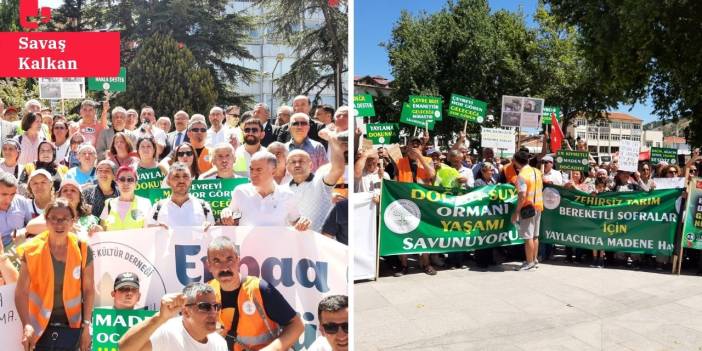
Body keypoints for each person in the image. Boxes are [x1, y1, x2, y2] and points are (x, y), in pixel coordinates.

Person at [15, 198, 94, 351]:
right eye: (54, 219)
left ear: (73, 222)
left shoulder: (83, 248)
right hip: (39, 330)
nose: (59, 223)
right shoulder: (31, 249)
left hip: (72, 329)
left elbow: (89, 290)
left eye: (65, 219)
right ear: (46, 220)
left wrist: (86, 326)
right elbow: (21, 292)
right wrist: (27, 325)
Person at [205, 236, 303, 350]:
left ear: (238, 261)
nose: (224, 267)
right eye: (216, 261)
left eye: (229, 259)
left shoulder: (260, 289)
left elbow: (297, 325)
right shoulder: (206, 293)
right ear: (209, 266)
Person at [118, 283, 228, 351]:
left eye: (216, 306)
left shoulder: (219, 343)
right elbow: (123, 349)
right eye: (205, 306)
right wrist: (160, 317)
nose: (214, 312)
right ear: (186, 311)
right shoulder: (166, 332)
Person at [221, 151, 310, 230]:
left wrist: (303, 222)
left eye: (259, 170)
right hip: (248, 247)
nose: (253, 174)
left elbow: (296, 221)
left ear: (273, 171)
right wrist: (226, 212)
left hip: (277, 248)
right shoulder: (240, 191)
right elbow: (230, 213)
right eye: (251, 169)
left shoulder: (288, 195)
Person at [285, 132, 345, 232]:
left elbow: (338, 169)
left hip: (322, 242)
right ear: (287, 167)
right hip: (294, 242)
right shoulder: (283, 189)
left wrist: (332, 140)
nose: (297, 164)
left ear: (311, 165)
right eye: (292, 162)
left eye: (302, 161)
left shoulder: (321, 181)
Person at [146, 162, 215, 229]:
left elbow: (212, 236)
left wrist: (209, 228)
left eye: (185, 176)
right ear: (168, 182)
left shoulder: (204, 206)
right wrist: (155, 230)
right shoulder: (157, 208)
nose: (181, 181)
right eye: (176, 177)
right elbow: (148, 235)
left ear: (191, 181)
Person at [26, 179, 103, 237]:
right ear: (59, 197)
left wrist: (99, 231)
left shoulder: (90, 219)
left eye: (73, 190)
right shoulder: (50, 214)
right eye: (65, 190)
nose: (69, 193)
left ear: (80, 198)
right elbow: (31, 227)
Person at [511, 150, 544, 271]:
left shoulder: (521, 175)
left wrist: (517, 211)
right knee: (535, 236)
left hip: (527, 208)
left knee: (528, 237)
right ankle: (534, 260)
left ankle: (529, 262)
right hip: (538, 206)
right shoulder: (537, 171)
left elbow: (522, 195)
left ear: (516, 161)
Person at [101, 166, 151, 231]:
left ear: (136, 183)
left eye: (130, 180)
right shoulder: (108, 204)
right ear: (117, 182)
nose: (126, 183)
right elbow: (102, 229)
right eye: (122, 179)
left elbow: (150, 230)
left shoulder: (145, 203)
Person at [0, 173, 33, 252]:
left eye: (12, 194)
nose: (8, 199)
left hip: (21, 247)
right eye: (4, 194)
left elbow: (31, 225)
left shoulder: (21, 201)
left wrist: (23, 231)